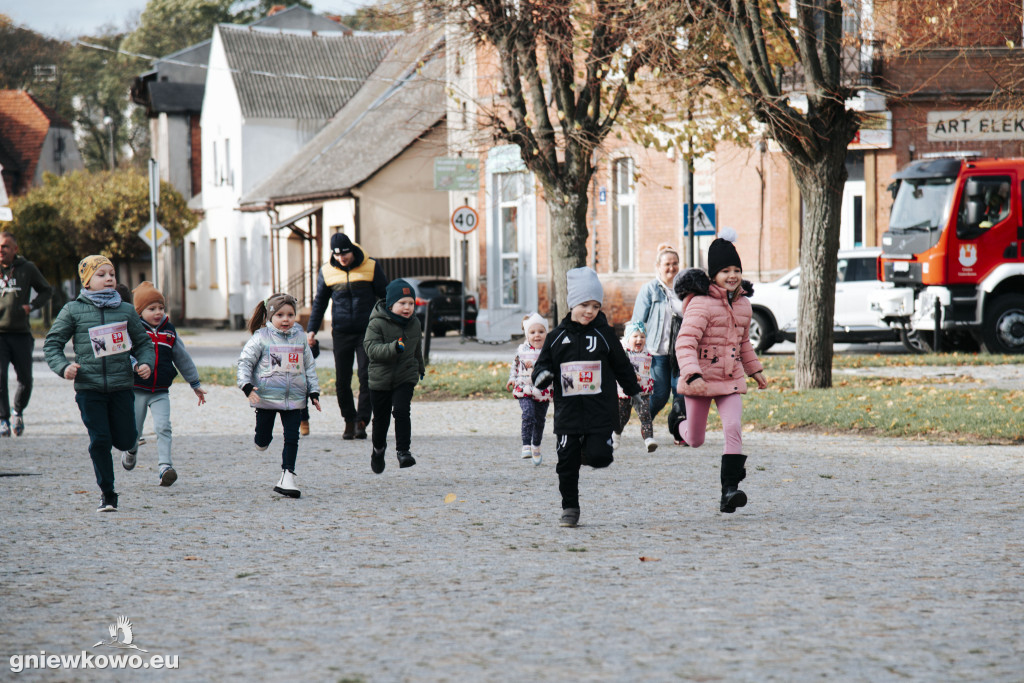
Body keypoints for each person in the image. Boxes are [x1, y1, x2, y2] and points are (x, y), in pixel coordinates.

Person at [43, 256, 154, 512]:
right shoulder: (73, 310)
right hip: (89, 388)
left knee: (126, 439)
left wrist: (144, 363)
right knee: (100, 440)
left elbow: (143, 343)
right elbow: (52, 344)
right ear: (87, 281)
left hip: (121, 386)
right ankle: (108, 493)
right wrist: (63, 367)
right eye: (101, 275)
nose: (109, 279)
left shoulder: (125, 310)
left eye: (112, 274)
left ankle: (127, 446)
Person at [532, 267, 641, 528]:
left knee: (602, 457)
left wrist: (634, 391)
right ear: (571, 305)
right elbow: (542, 365)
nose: (589, 311)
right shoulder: (556, 338)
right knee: (566, 465)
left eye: (595, 305)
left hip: (599, 411)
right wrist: (543, 376)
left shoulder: (604, 335)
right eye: (584, 305)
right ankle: (570, 507)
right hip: (568, 413)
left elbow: (622, 365)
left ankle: (585, 452)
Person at [673, 228, 768, 514]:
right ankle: (677, 420)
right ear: (713, 274)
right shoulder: (700, 304)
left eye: (736, 269)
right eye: (725, 270)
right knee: (695, 440)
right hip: (700, 381)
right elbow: (685, 343)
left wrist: (755, 371)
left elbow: (743, 343)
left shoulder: (744, 305)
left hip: (730, 379)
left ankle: (730, 490)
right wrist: (692, 375)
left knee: (733, 428)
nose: (732, 275)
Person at [122, 281, 208, 487]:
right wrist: (135, 366)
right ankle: (131, 449)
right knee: (134, 430)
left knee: (163, 427)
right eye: (152, 309)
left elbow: (182, 358)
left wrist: (195, 383)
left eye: (161, 308)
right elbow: (123, 353)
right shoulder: (133, 331)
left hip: (160, 391)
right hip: (138, 389)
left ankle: (165, 468)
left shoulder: (169, 331)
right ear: (139, 311)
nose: (158, 312)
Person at [237, 293, 321, 498]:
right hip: (265, 398)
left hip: (294, 399)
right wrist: (246, 387)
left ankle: (288, 475)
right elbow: (245, 363)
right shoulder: (261, 337)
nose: (286, 319)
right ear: (270, 317)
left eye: (290, 314)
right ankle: (261, 438)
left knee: (292, 437)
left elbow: (309, 366)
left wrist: (314, 392)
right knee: (263, 439)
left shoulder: (300, 337)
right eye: (280, 315)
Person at [306, 233, 388, 440]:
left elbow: (385, 296)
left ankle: (362, 421)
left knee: (366, 376)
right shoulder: (327, 271)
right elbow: (320, 303)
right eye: (338, 255)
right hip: (341, 331)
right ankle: (349, 420)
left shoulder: (370, 266)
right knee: (342, 380)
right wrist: (312, 330)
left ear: (352, 250)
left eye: (345, 254)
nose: (342, 258)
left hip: (367, 331)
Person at [363, 279, 424, 474]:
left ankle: (403, 452)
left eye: (411, 303)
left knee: (402, 410)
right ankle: (378, 450)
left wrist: (419, 367)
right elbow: (370, 349)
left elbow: (417, 349)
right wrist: (392, 348)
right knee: (381, 419)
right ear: (391, 305)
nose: (407, 308)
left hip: (405, 375)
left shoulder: (415, 323)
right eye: (402, 303)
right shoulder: (377, 323)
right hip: (380, 378)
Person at [0, 232, 53, 436]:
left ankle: (18, 411)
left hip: (21, 333)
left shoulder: (27, 268)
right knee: (0, 376)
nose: (1, 250)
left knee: (26, 379)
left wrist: (31, 306)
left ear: (15, 249)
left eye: (5, 246)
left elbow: (46, 290)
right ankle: (3, 419)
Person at [629, 243, 684, 428]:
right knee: (660, 395)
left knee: (681, 392)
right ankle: (645, 422)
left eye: (675, 263)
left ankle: (678, 430)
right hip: (657, 352)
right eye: (667, 264)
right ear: (658, 267)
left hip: (681, 352)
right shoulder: (649, 289)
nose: (671, 268)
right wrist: (634, 348)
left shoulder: (685, 289)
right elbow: (637, 322)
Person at [505, 312, 552, 466]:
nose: (537, 335)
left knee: (539, 420)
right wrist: (512, 379)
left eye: (541, 331)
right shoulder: (521, 350)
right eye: (532, 332)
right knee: (528, 414)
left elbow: (553, 369)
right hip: (524, 388)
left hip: (542, 390)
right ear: (527, 334)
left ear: (546, 333)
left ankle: (536, 446)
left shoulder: (549, 351)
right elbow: (515, 366)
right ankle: (526, 444)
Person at [613, 320, 657, 453]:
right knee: (622, 417)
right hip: (624, 391)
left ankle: (649, 439)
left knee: (645, 415)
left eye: (642, 336)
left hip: (642, 391)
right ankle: (615, 435)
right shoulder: (623, 353)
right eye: (635, 336)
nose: (639, 339)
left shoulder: (647, 353)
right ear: (628, 338)